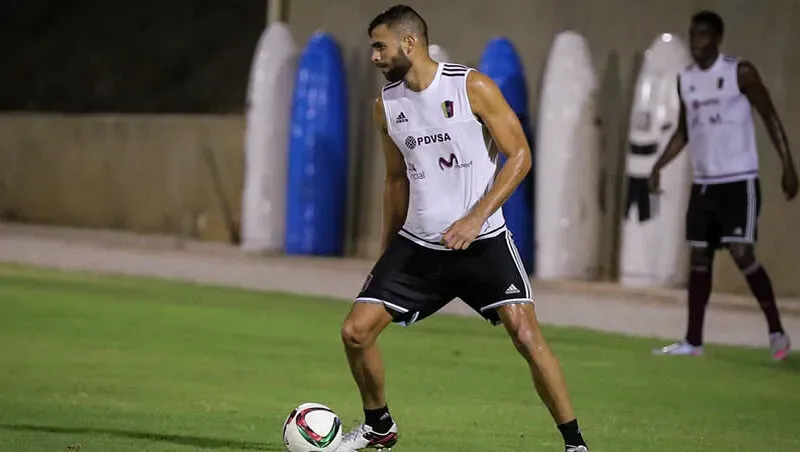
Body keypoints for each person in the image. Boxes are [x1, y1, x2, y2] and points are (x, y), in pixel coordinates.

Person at [335, 5, 589, 452]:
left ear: (409, 42)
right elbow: (395, 181)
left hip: (483, 243)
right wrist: (385, 252)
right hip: (418, 246)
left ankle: (575, 444)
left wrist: (475, 218)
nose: (373, 56)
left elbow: (521, 156)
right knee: (355, 332)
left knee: (526, 335)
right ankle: (379, 426)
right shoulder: (386, 106)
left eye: (380, 46)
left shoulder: (471, 87)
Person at [649, 10, 798, 360]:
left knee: (741, 252)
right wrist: (658, 165)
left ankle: (777, 332)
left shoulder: (739, 73)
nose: (696, 42)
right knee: (699, 257)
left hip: (738, 181)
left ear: (717, 38)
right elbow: (684, 131)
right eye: (692, 34)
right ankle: (693, 341)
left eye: (703, 35)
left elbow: (770, 116)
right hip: (704, 184)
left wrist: (788, 165)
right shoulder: (686, 80)